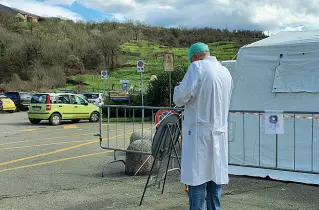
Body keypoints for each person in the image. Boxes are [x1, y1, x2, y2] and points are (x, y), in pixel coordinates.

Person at [173, 42, 233, 210]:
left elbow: (180, 98)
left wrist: (179, 87)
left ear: (196, 56)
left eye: (190, 60)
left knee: (197, 180)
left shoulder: (196, 68)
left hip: (199, 134)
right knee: (215, 180)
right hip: (219, 132)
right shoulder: (225, 72)